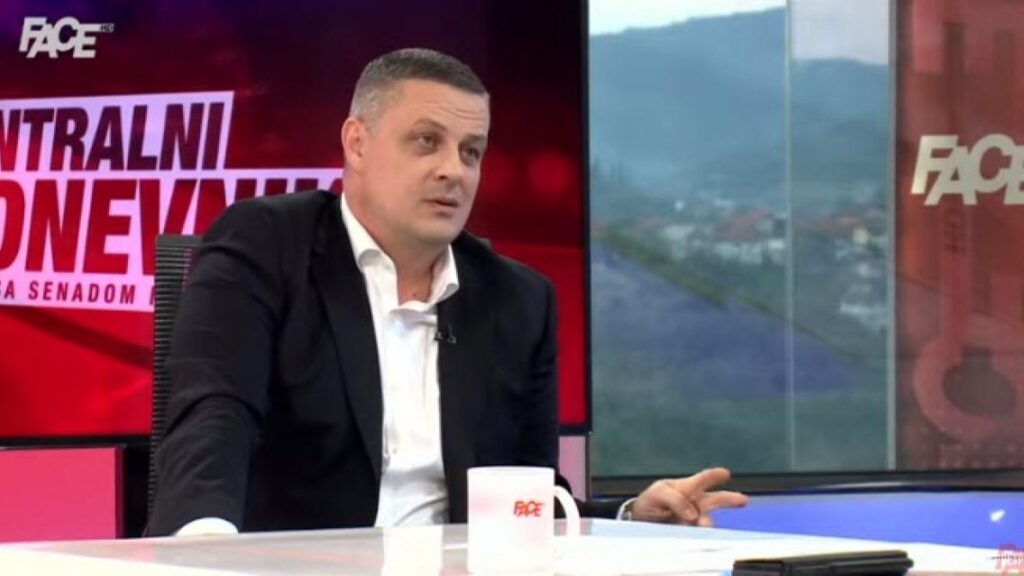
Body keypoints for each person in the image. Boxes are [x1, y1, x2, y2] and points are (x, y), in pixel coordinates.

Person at [148, 48, 747, 536]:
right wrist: (206, 548)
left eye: (471, 152)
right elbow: (215, 414)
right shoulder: (266, 244)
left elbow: (527, 496)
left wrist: (628, 519)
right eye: (425, 141)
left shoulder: (519, 301)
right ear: (357, 143)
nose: (454, 170)